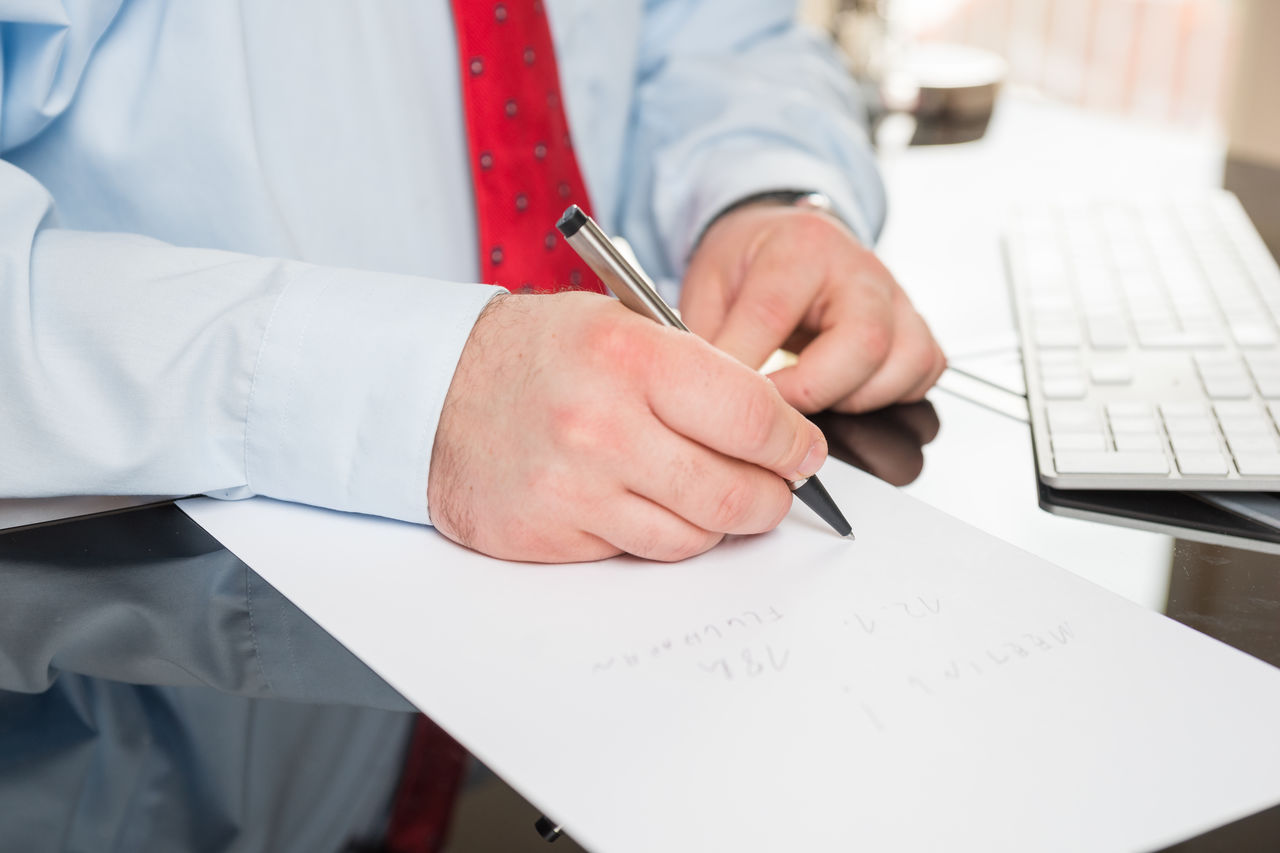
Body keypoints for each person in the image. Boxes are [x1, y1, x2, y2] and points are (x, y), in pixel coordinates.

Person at [0, 1, 944, 849]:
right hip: (137, 664)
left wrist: (764, 194)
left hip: (586, 682)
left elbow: (710, 32)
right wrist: (412, 392)